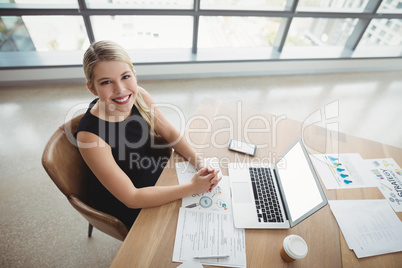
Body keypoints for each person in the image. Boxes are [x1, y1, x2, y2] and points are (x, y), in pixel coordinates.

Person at [75, 40, 221, 229]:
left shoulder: (140, 96)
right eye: (106, 82)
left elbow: (168, 131)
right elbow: (132, 198)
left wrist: (200, 162)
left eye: (125, 77)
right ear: (92, 88)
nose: (120, 89)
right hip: (125, 199)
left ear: (134, 75)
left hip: (148, 171)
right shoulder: (89, 137)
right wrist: (192, 188)